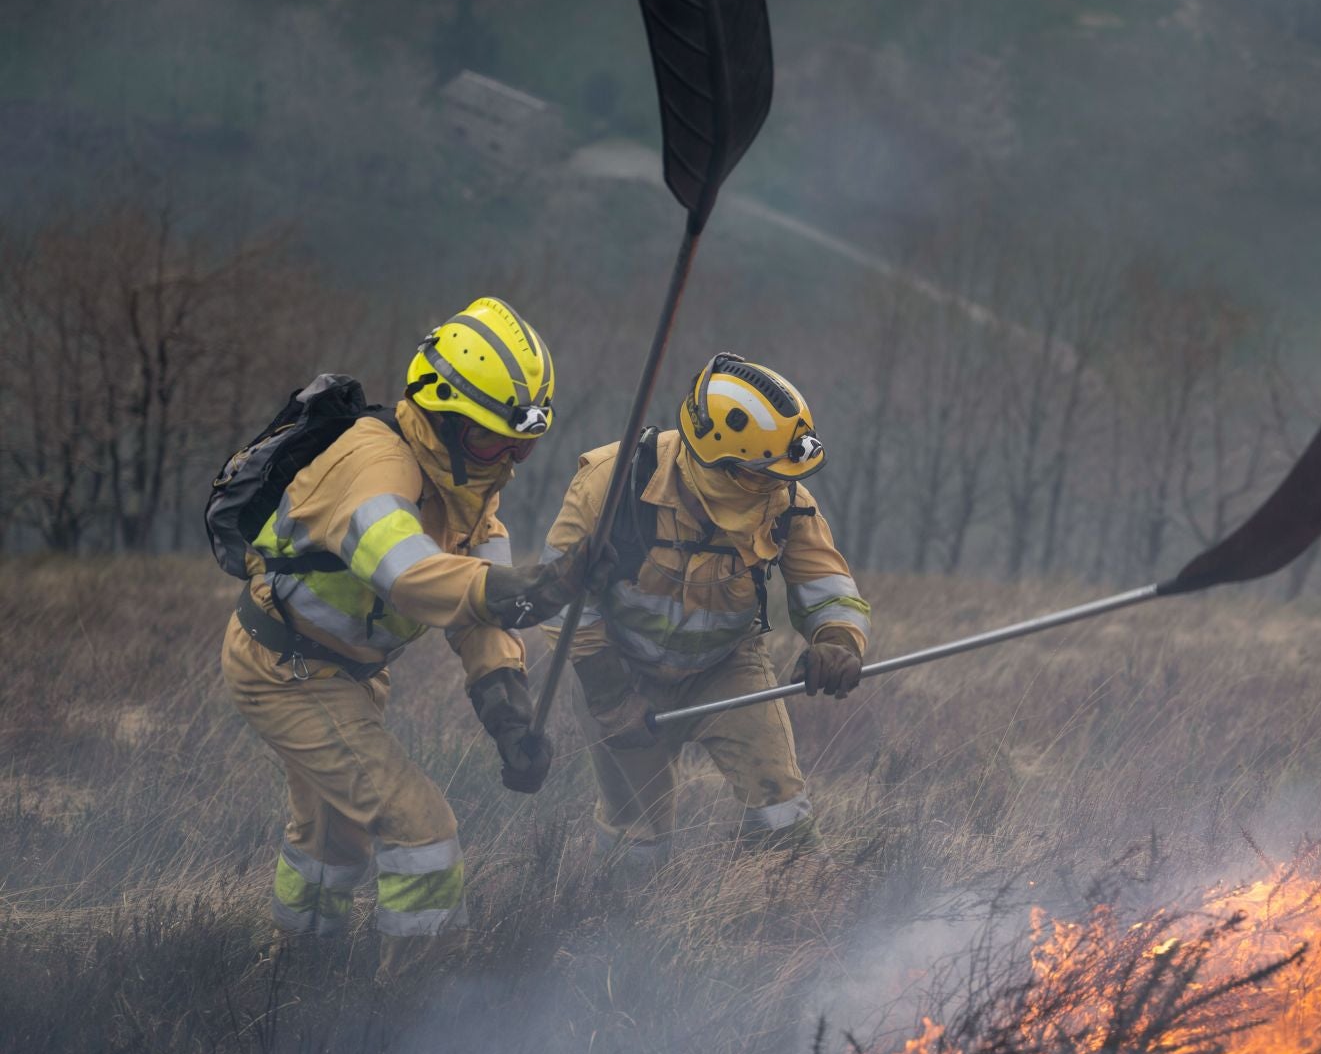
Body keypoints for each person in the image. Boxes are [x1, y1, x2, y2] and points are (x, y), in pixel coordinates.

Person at [222, 296, 590, 969]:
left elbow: (485, 616)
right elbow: (407, 572)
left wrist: (510, 713)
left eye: (524, 443)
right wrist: (521, 587)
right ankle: (422, 1000)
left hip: (345, 674)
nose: (508, 458)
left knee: (334, 834)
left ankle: (297, 966)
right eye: (490, 440)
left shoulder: (470, 491)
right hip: (286, 670)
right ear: (443, 416)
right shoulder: (374, 465)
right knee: (422, 829)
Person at [542, 352, 871, 879]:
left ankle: (794, 918)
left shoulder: (787, 500)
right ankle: (617, 927)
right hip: (618, 671)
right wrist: (608, 696)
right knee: (639, 834)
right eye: (760, 473)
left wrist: (839, 641)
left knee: (779, 800)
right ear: (717, 457)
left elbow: (827, 586)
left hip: (727, 670)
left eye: (782, 473)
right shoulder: (612, 483)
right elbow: (560, 598)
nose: (775, 485)